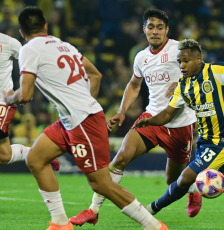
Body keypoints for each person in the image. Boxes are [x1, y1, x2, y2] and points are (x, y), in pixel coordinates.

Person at [3, 7, 168, 230]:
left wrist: (9, 97)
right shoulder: (64, 45)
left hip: (83, 121)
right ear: (45, 26)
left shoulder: (28, 50)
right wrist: (83, 103)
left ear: (21, 33)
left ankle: (154, 226)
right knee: (36, 158)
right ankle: (61, 224)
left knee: (101, 183)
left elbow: (26, 95)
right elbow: (95, 75)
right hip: (73, 119)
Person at [70, 9, 200, 226]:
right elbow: (134, 84)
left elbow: (200, 69)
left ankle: (193, 189)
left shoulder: (178, 48)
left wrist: (180, 84)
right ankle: (93, 210)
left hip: (180, 124)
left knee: (173, 180)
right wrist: (122, 111)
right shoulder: (141, 57)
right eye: (151, 27)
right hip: (151, 119)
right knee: (120, 158)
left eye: (160, 27)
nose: (155, 31)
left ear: (167, 30)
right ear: (144, 30)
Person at [134, 38, 224, 217]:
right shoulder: (183, 86)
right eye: (179, 62)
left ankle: (151, 209)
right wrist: (150, 121)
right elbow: (168, 114)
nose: (182, 66)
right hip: (205, 142)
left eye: (186, 61)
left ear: (199, 59)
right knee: (211, 183)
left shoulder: (216, 72)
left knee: (185, 178)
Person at [0, 32, 59, 171]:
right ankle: (41, 153)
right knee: (4, 155)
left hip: (3, 101)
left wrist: (24, 90)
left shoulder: (9, 43)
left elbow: (29, 64)